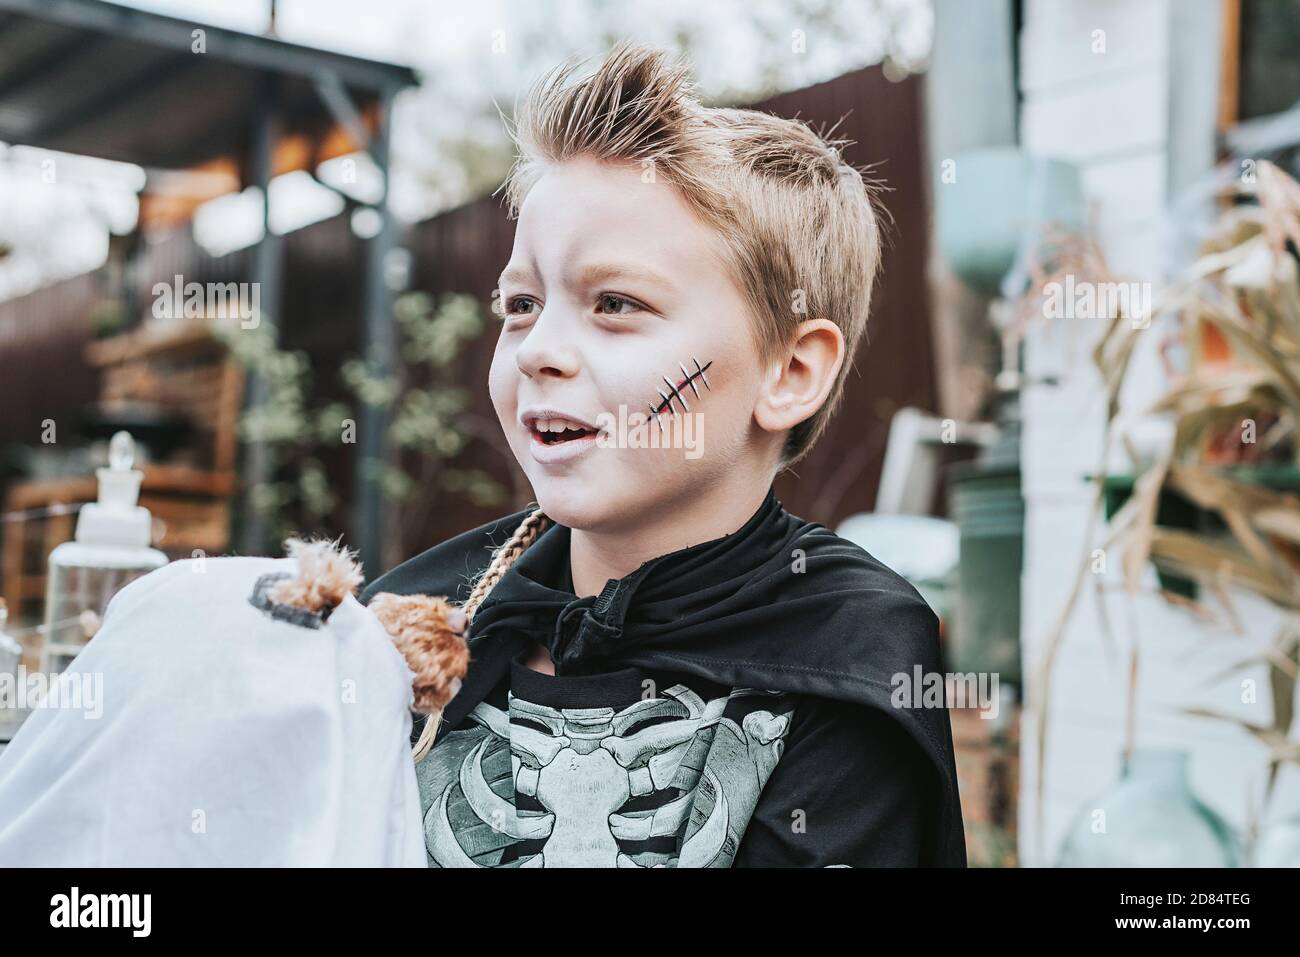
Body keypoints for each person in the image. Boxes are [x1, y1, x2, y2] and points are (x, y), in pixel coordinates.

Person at [362, 42, 966, 868]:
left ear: (789, 372)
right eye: (521, 303)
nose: (540, 349)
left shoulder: (848, 651)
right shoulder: (422, 618)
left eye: (615, 303)